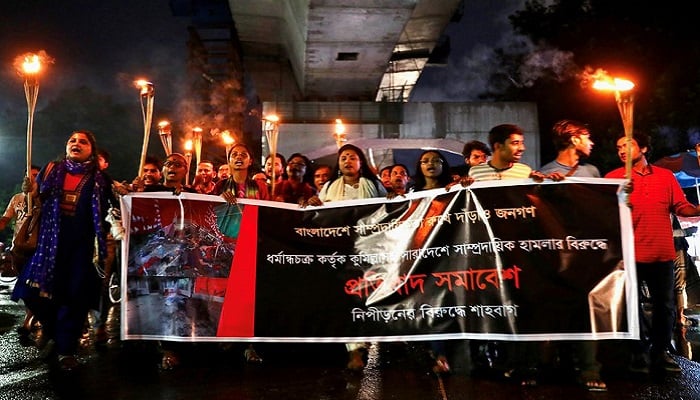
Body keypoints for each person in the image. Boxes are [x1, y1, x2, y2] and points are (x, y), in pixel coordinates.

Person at [11, 130, 117, 372]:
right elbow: (38, 197)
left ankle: (66, 350)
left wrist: (134, 190)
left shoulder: (101, 179)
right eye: (72, 140)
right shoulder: (52, 170)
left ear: (92, 148)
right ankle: (52, 329)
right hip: (50, 242)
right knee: (30, 292)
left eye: (82, 141)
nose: (76, 144)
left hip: (81, 247)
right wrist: (31, 190)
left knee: (75, 297)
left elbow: (116, 205)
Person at [605, 131, 700, 377]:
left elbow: (682, 207)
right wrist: (618, 199)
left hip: (662, 252)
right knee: (631, 307)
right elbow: (603, 216)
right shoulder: (613, 178)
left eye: (628, 145)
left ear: (644, 148)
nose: (622, 151)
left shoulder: (666, 177)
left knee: (665, 307)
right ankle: (636, 353)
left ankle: (660, 352)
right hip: (628, 255)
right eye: (619, 147)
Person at [303, 143, 386, 370]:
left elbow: (387, 212)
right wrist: (312, 204)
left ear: (361, 163)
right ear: (338, 165)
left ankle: (367, 339)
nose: (347, 161)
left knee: (367, 296)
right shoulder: (329, 187)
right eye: (343, 158)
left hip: (369, 250)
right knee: (345, 297)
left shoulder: (375, 186)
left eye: (352, 157)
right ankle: (353, 351)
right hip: (339, 251)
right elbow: (319, 216)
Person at [538, 119, 606, 392]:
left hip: (589, 254)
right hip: (558, 255)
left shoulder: (592, 171)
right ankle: (556, 364)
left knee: (587, 310)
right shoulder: (544, 173)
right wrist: (546, 189)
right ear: (573, 139)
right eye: (587, 137)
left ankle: (590, 367)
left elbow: (602, 207)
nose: (592, 143)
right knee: (558, 309)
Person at [0, 165, 41, 339]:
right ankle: (34, 314)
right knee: (24, 286)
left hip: (38, 249)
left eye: (36, 176)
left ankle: (28, 320)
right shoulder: (16, 198)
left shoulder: (44, 200)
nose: (32, 179)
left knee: (34, 285)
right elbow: (6, 218)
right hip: (18, 250)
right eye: (29, 175)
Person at [468, 124, 544, 182]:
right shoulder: (475, 172)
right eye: (515, 143)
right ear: (498, 146)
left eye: (522, 143)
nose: (522, 148)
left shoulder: (525, 171)